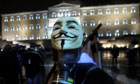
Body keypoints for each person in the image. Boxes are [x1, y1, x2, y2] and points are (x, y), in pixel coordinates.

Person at [46, 17, 114, 84]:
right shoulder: (55, 71)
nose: (62, 30)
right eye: (57, 28)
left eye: (71, 27)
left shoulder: (97, 77)